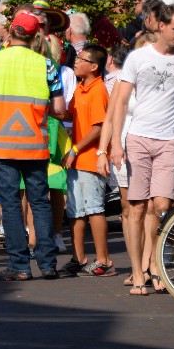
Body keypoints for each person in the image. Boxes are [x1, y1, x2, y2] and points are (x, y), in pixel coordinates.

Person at [0, 11, 66, 281]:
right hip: (34, 145)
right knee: (40, 203)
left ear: (11, 31)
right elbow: (59, 109)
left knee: (9, 204)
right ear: (34, 35)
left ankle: (19, 267)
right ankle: (48, 264)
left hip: (2, 145)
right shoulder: (45, 64)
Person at [109, 4, 174, 296]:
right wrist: (114, 143)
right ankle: (139, 272)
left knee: (161, 205)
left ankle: (154, 262)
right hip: (137, 138)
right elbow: (121, 102)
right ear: (160, 26)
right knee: (136, 207)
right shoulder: (138, 57)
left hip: (170, 140)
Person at [61, 44, 114, 277]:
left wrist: (74, 149)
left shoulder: (98, 89)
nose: (76, 61)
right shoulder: (81, 87)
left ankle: (104, 260)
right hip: (77, 159)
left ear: (94, 66)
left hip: (91, 159)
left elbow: (98, 128)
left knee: (94, 209)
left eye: (81, 59)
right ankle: (79, 257)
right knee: (75, 211)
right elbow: (69, 114)